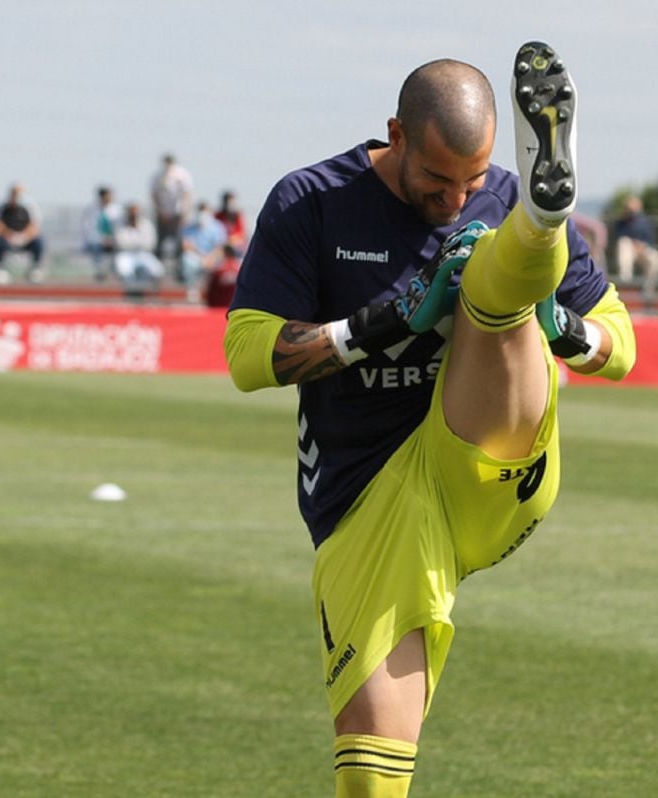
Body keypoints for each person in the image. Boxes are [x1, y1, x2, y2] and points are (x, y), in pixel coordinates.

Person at [224, 42, 634, 797]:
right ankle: (520, 255)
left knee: (486, 263)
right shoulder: (311, 201)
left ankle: (541, 229)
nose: (453, 198)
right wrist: (380, 324)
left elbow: (623, 346)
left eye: (473, 178)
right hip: (370, 498)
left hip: (486, 454)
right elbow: (248, 355)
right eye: (437, 180)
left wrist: (569, 331)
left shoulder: (497, 196)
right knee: (371, 773)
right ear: (396, 134)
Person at [0, 183, 46, 283]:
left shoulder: (30, 208)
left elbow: (35, 227)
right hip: (7, 239)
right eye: (14, 194)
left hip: (25, 240)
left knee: (39, 241)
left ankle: (35, 269)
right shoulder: (2, 208)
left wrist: (23, 237)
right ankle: (1, 269)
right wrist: (9, 235)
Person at [612, 194, 658, 305]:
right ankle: (626, 282)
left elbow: (651, 240)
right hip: (629, 250)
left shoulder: (646, 222)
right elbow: (620, 237)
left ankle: (647, 289)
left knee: (655, 258)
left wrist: (643, 246)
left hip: (643, 251)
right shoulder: (621, 222)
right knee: (624, 244)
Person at [149, 153, 194, 264]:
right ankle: (158, 264)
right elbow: (154, 194)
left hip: (178, 214)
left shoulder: (182, 175)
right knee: (160, 241)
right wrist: (160, 211)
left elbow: (187, 194)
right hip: (163, 214)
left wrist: (184, 212)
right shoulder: (157, 176)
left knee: (179, 240)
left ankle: (179, 265)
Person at [179, 201, 227, 300]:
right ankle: (192, 290)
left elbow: (221, 247)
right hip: (197, 257)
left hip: (213, 258)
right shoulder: (189, 227)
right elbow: (186, 245)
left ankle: (215, 293)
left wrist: (209, 258)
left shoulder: (218, 227)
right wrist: (202, 258)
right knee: (187, 260)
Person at [113, 202, 165, 289]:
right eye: (131, 214)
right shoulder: (120, 225)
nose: (133, 216)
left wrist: (132, 243)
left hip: (144, 254)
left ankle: (151, 293)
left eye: (135, 214)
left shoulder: (147, 225)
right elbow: (120, 243)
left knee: (158, 270)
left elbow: (150, 243)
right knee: (123, 270)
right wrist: (138, 243)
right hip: (126, 254)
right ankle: (130, 291)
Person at [81, 185, 122, 281]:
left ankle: (118, 272)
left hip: (113, 241)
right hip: (97, 241)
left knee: (119, 250)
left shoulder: (117, 211)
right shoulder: (91, 210)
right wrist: (101, 239)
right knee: (96, 248)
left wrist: (112, 239)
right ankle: (99, 273)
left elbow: (119, 228)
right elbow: (88, 228)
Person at [205, 243, 241, 308]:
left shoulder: (218, 270)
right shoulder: (241, 269)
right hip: (236, 308)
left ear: (224, 254)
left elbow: (211, 293)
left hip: (218, 309)